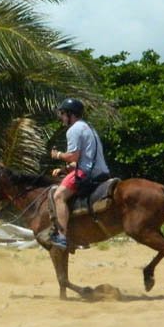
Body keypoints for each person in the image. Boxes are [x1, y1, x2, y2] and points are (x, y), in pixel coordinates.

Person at [49, 98, 110, 249]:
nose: (62, 118)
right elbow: (82, 159)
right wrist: (65, 169)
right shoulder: (89, 128)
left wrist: (57, 155)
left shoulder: (74, 130)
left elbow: (73, 156)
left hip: (87, 173)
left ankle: (62, 236)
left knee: (58, 196)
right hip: (101, 171)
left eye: (63, 114)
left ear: (70, 114)